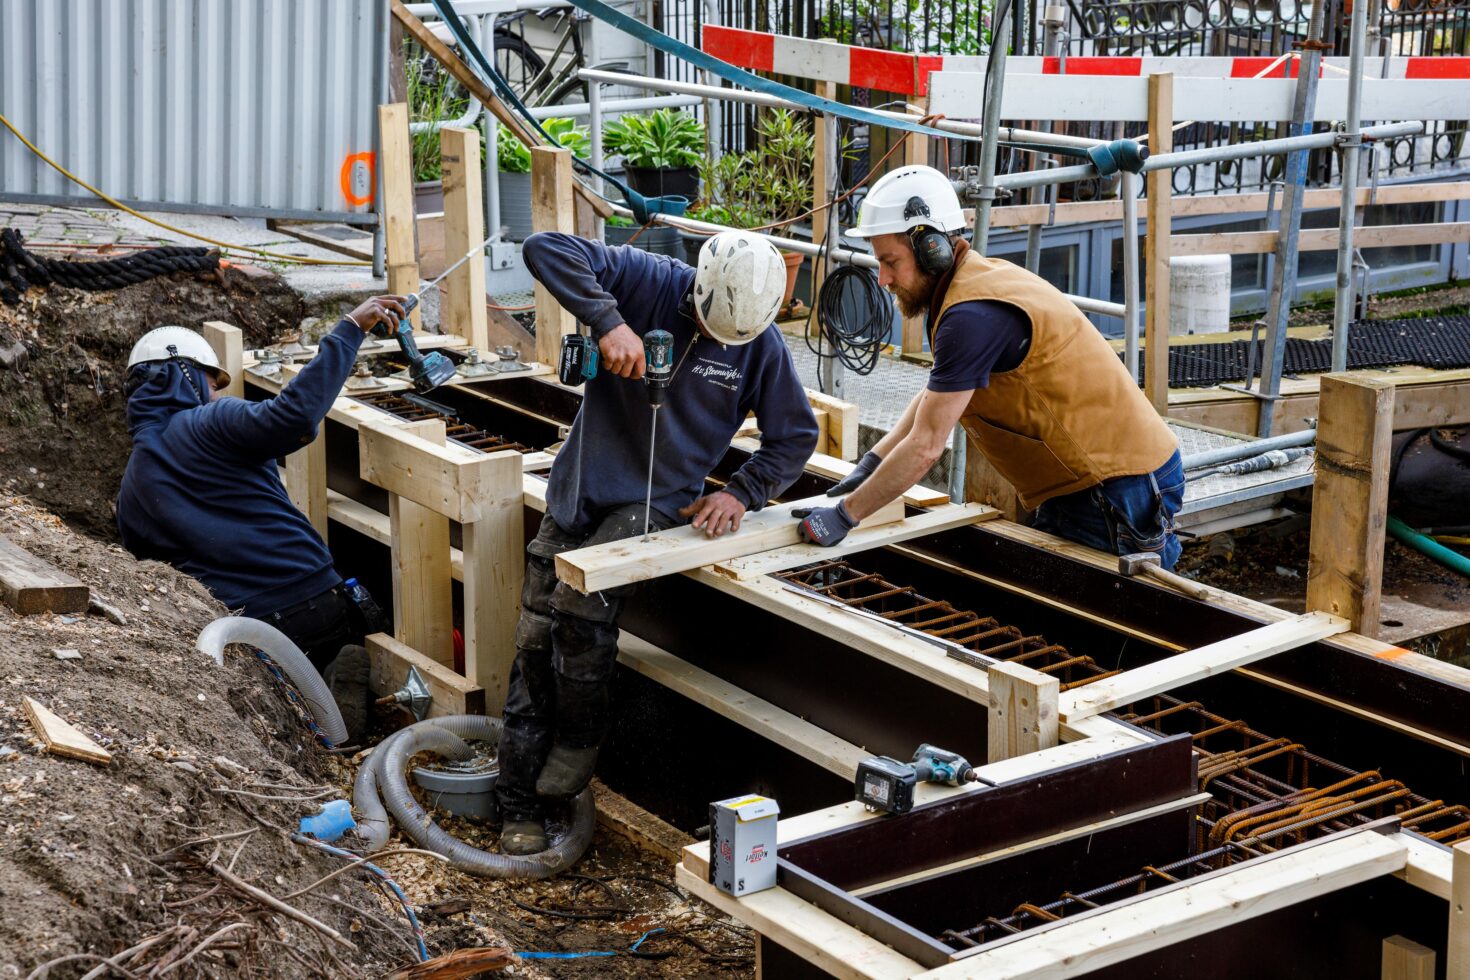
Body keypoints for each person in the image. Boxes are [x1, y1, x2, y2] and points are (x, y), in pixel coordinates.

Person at [498, 229, 820, 854]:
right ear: (697, 287)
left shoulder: (760, 344)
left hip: (657, 502)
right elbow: (544, 249)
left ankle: (578, 743)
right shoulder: (652, 279)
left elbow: (794, 437)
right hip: (580, 485)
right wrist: (607, 321)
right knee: (534, 638)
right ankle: (516, 802)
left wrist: (741, 493)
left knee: (581, 614)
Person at [795, 165, 1184, 567]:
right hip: (1083, 482)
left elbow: (927, 447)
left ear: (932, 249)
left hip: (1119, 487)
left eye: (891, 262)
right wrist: (870, 464)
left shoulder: (970, 316)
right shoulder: (965, 288)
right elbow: (935, 396)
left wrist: (845, 516)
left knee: (1110, 618)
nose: (884, 279)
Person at [116, 295, 409, 739]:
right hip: (317, 604)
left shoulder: (131, 487)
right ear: (187, 377)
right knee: (367, 631)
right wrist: (349, 328)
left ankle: (316, 718)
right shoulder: (211, 421)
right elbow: (294, 417)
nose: (217, 393)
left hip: (243, 631)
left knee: (293, 710)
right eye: (211, 384)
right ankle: (345, 696)